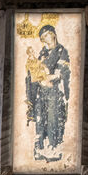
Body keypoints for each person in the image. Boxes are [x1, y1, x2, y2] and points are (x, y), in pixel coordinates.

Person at [25, 24, 70, 163]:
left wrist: (46, 77)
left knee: (52, 120)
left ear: (53, 34)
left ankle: (53, 148)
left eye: (46, 36)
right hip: (41, 92)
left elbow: (61, 73)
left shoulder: (61, 51)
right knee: (40, 120)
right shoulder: (42, 54)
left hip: (54, 93)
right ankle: (40, 149)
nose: (44, 40)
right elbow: (35, 72)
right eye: (42, 38)